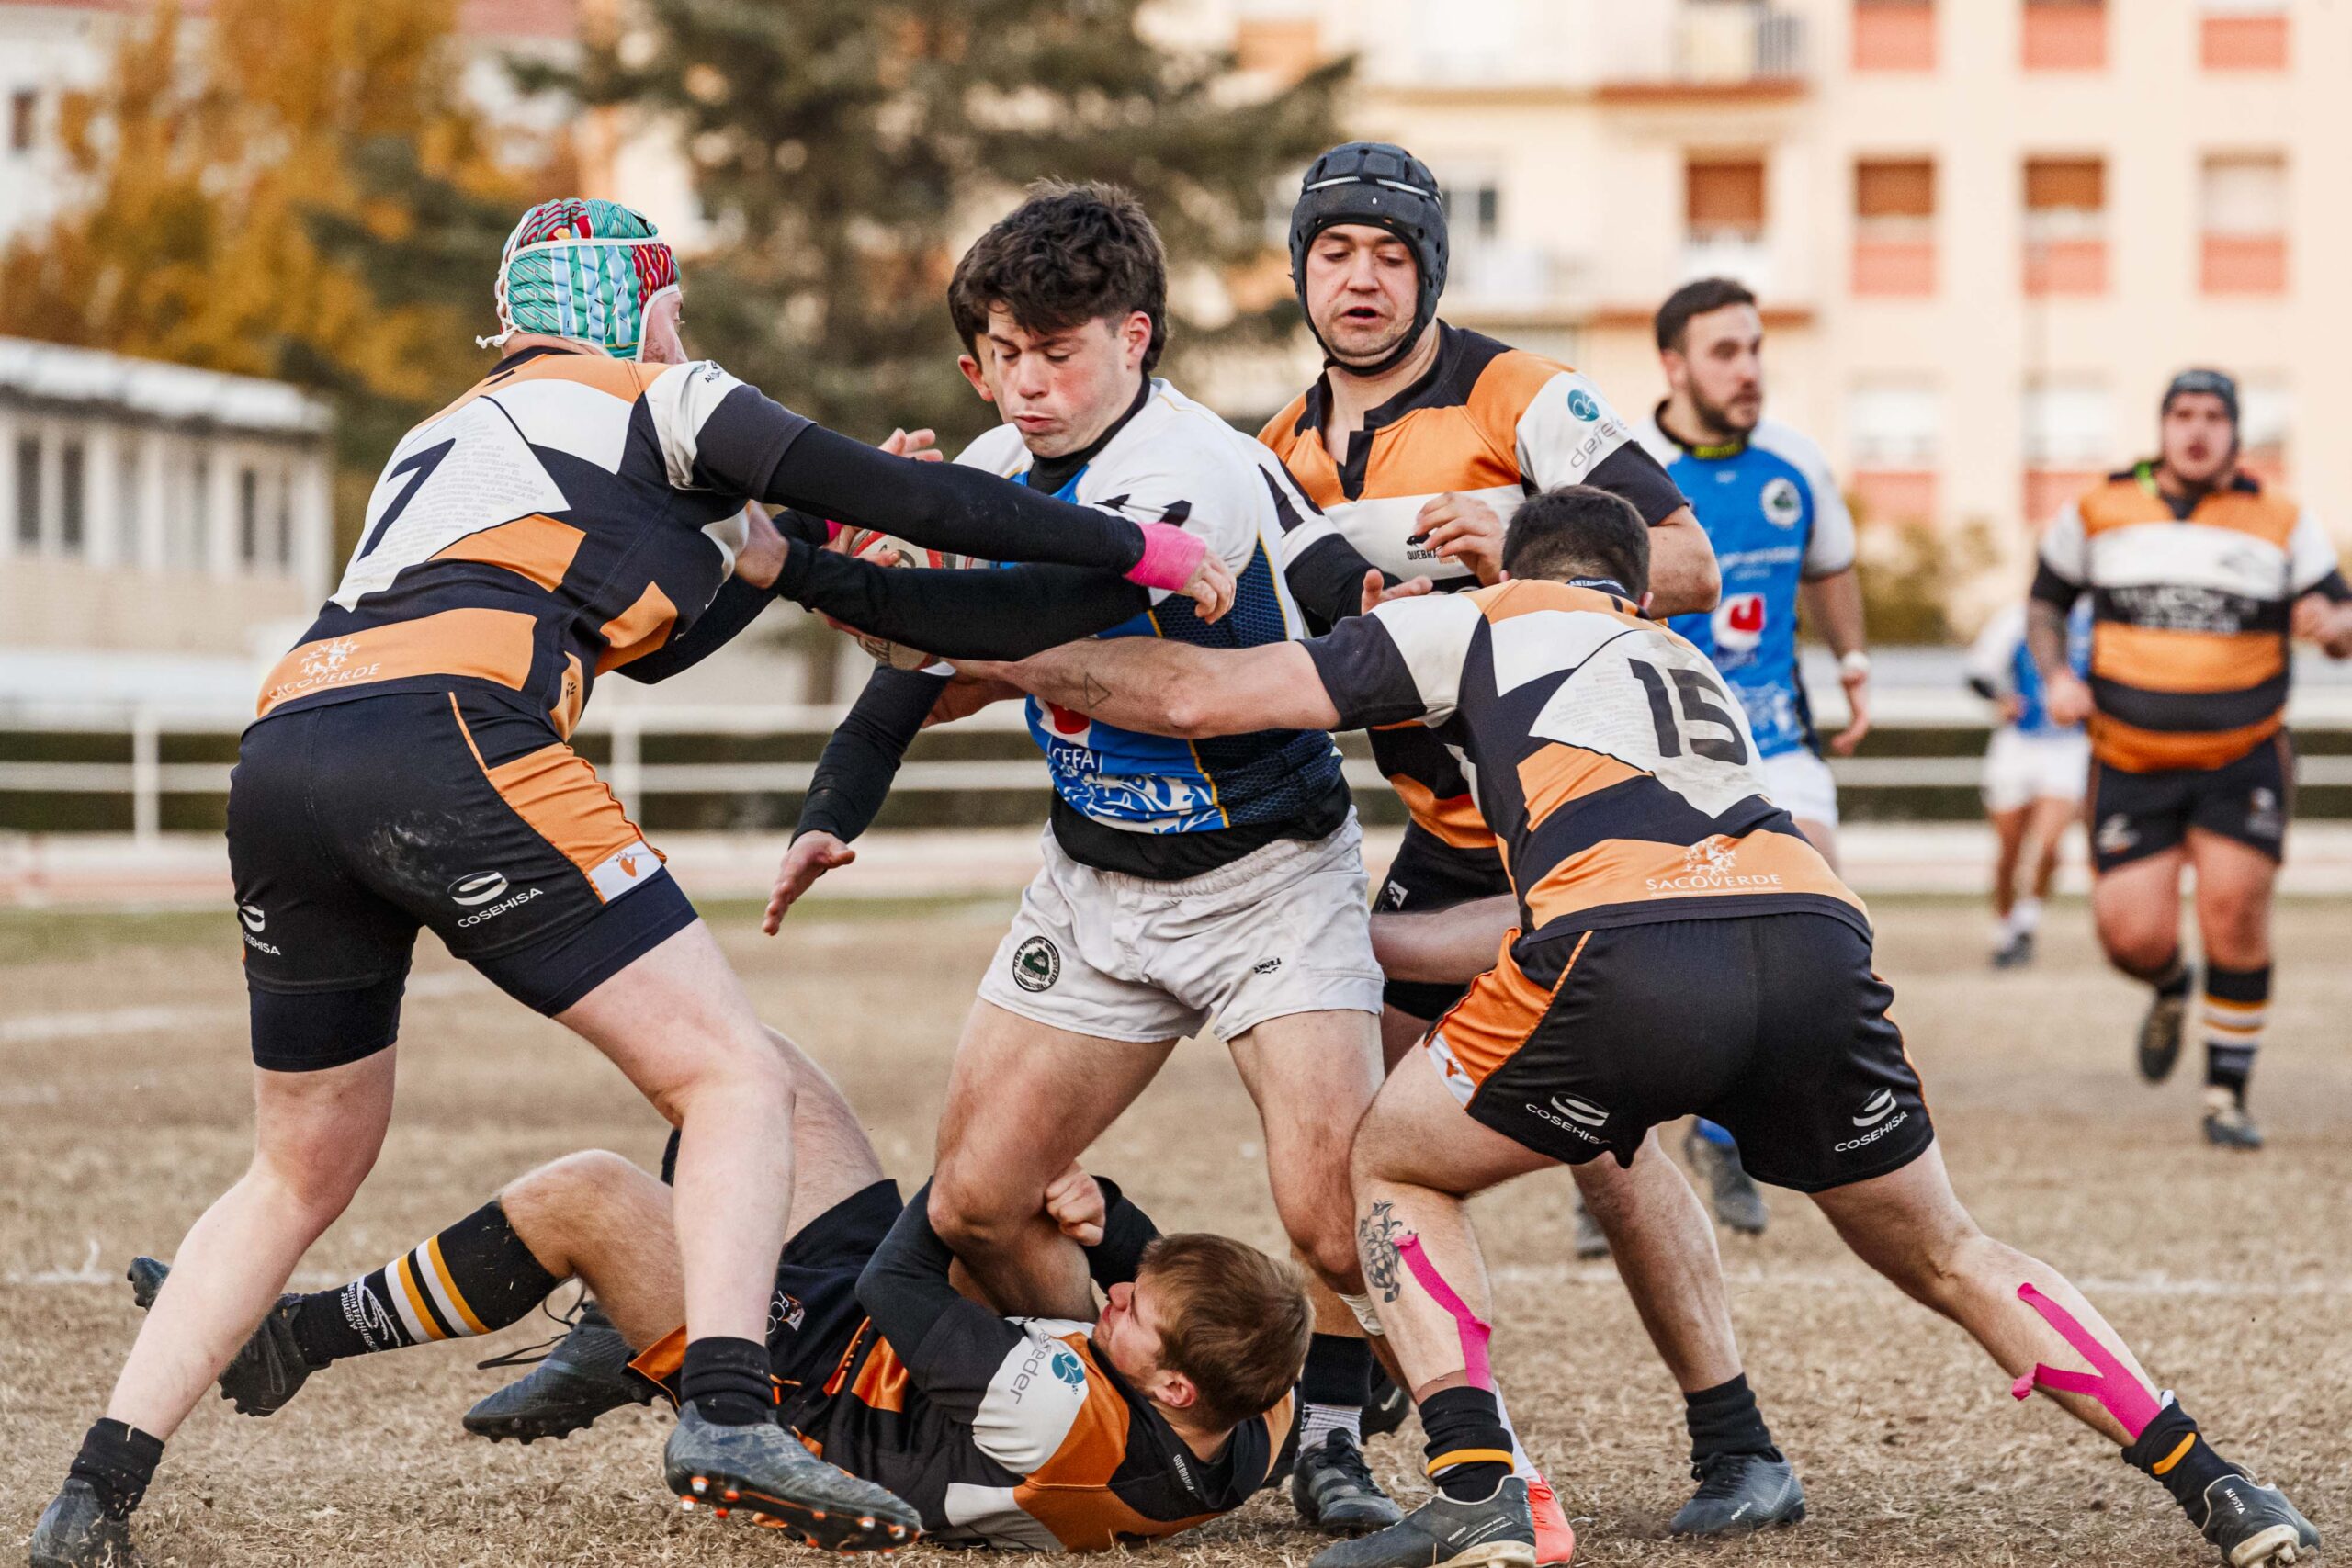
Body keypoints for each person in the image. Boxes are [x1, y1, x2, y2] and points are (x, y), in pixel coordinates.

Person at [27, 197, 1237, 1568]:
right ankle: (728, 1406)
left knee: (295, 1166)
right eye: (675, 311)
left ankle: (92, 1494)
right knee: (732, 1075)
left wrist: (775, 543)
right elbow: (918, 498)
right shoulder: (665, 394)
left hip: (289, 746)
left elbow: (660, 637)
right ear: (645, 305)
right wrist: (1143, 551)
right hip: (453, 735)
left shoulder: (449, 432)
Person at [964, 485, 2322, 1568]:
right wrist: (1347, 940)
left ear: (1521, 560)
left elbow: (1208, 695)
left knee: (1392, 1163)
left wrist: (1007, 651)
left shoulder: (1493, 619)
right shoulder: (1683, 662)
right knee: (1954, 1248)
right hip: (1812, 940)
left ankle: (1479, 1487)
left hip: (1629, 952)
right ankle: (2221, 1483)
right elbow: (1567, 895)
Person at [755, 183, 1406, 1539]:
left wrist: (804, 566)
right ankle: (1139, 1418)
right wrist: (836, 801)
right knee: (981, 1203)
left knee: (1332, 1214)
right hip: (1097, 886)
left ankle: (1378, 1440)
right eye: (1004, 351)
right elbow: (926, 663)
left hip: (1265, 883)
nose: (1028, 382)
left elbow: (1024, 612)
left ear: (1137, 337)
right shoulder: (998, 468)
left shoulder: (1192, 472)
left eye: (1059, 351)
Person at [1255, 141, 1802, 1544]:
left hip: (1587, 831)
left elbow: (1683, 559)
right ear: (1302, 268)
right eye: (1336, 252)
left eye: (1390, 253)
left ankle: (1738, 1439)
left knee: (1608, 1153)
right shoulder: (1279, 449)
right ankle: (1336, 1432)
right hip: (1447, 841)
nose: (1361, 278)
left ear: (1430, 269)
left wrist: (1517, 530)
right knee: (1347, 1130)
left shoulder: (1520, 395)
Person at [119, 1029, 1312, 1552]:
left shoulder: (1065, 1408)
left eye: (1133, 1312)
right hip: (904, 1351)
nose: (1117, 1296)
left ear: (1164, 1380)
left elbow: (913, 1262)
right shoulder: (1256, 1414)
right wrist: (1110, 1216)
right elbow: (1146, 1302)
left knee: (587, 1192)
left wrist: (979, 1180)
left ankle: (293, 1339)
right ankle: (615, 1336)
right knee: (749, 1063)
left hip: (817, 1400)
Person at [2031, 368, 2352, 1149]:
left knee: (2234, 911)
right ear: (2163, 426)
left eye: (2213, 415)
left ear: (2236, 432)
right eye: (2183, 414)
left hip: (2241, 756)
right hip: (2129, 758)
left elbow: (2340, 619)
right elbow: (2045, 603)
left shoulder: (2281, 518)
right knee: (2130, 936)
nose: (2197, 429)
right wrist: (2054, 676)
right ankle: (2173, 985)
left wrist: (2332, 623)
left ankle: (2225, 1095)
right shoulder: (2099, 508)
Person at [1633, 276, 1871, 1238]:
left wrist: (1852, 662)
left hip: (1776, 734)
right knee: (1645, 955)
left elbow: (1831, 565)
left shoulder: (1795, 464)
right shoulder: (1626, 468)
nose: (1748, 370)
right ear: (1674, 365)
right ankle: (1613, 1164)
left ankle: (1730, 1141)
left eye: (1755, 348)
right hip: (1655, 741)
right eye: (1725, 352)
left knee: (1814, 926)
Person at [1964, 599, 2092, 967]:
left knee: (2049, 845)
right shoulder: (2016, 618)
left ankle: (2026, 925)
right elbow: (1978, 674)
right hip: (2018, 744)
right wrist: (2001, 699)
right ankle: (2004, 929)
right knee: (2009, 850)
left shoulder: (2095, 621)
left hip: (2069, 746)